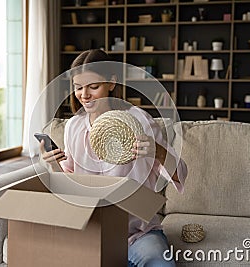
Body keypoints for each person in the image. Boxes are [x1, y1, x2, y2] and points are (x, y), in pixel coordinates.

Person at [40, 49, 187, 267]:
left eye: (93, 87)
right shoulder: (73, 126)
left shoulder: (140, 121)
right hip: (90, 230)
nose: (84, 95)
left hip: (136, 233)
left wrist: (158, 150)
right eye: (78, 87)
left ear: (111, 82)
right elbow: (71, 185)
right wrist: (53, 163)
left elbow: (180, 175)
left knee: (160, 263)